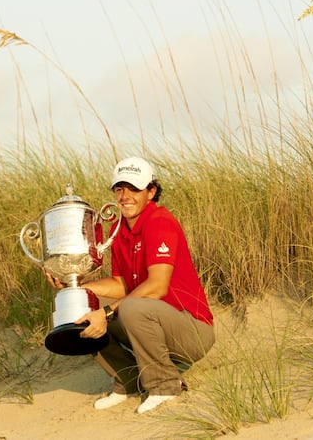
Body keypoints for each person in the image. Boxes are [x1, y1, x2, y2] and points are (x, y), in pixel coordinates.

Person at [47, 156, 215, 414]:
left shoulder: (160, 222)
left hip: (192, 330)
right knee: (86, 309)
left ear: (151, 191)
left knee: (129, 308)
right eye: (119, 188)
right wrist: (80, 288)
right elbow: (122, 284)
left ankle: (165, 386)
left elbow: (157, 287)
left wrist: (106, 313)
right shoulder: (119, 228)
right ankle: (127, 381)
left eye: (134, 189)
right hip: (152, 321)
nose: (125, 196)